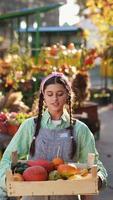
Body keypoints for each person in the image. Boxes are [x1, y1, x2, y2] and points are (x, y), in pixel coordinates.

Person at [0, 72, 107, 200]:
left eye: (60, 94)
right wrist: (7, 181)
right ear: (43, 97)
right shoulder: (29, 126)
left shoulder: (80, 129)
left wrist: (99, 179)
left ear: (68, 95)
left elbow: (94, 165)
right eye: (50, 94)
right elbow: (7, 160)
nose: (54, 99)